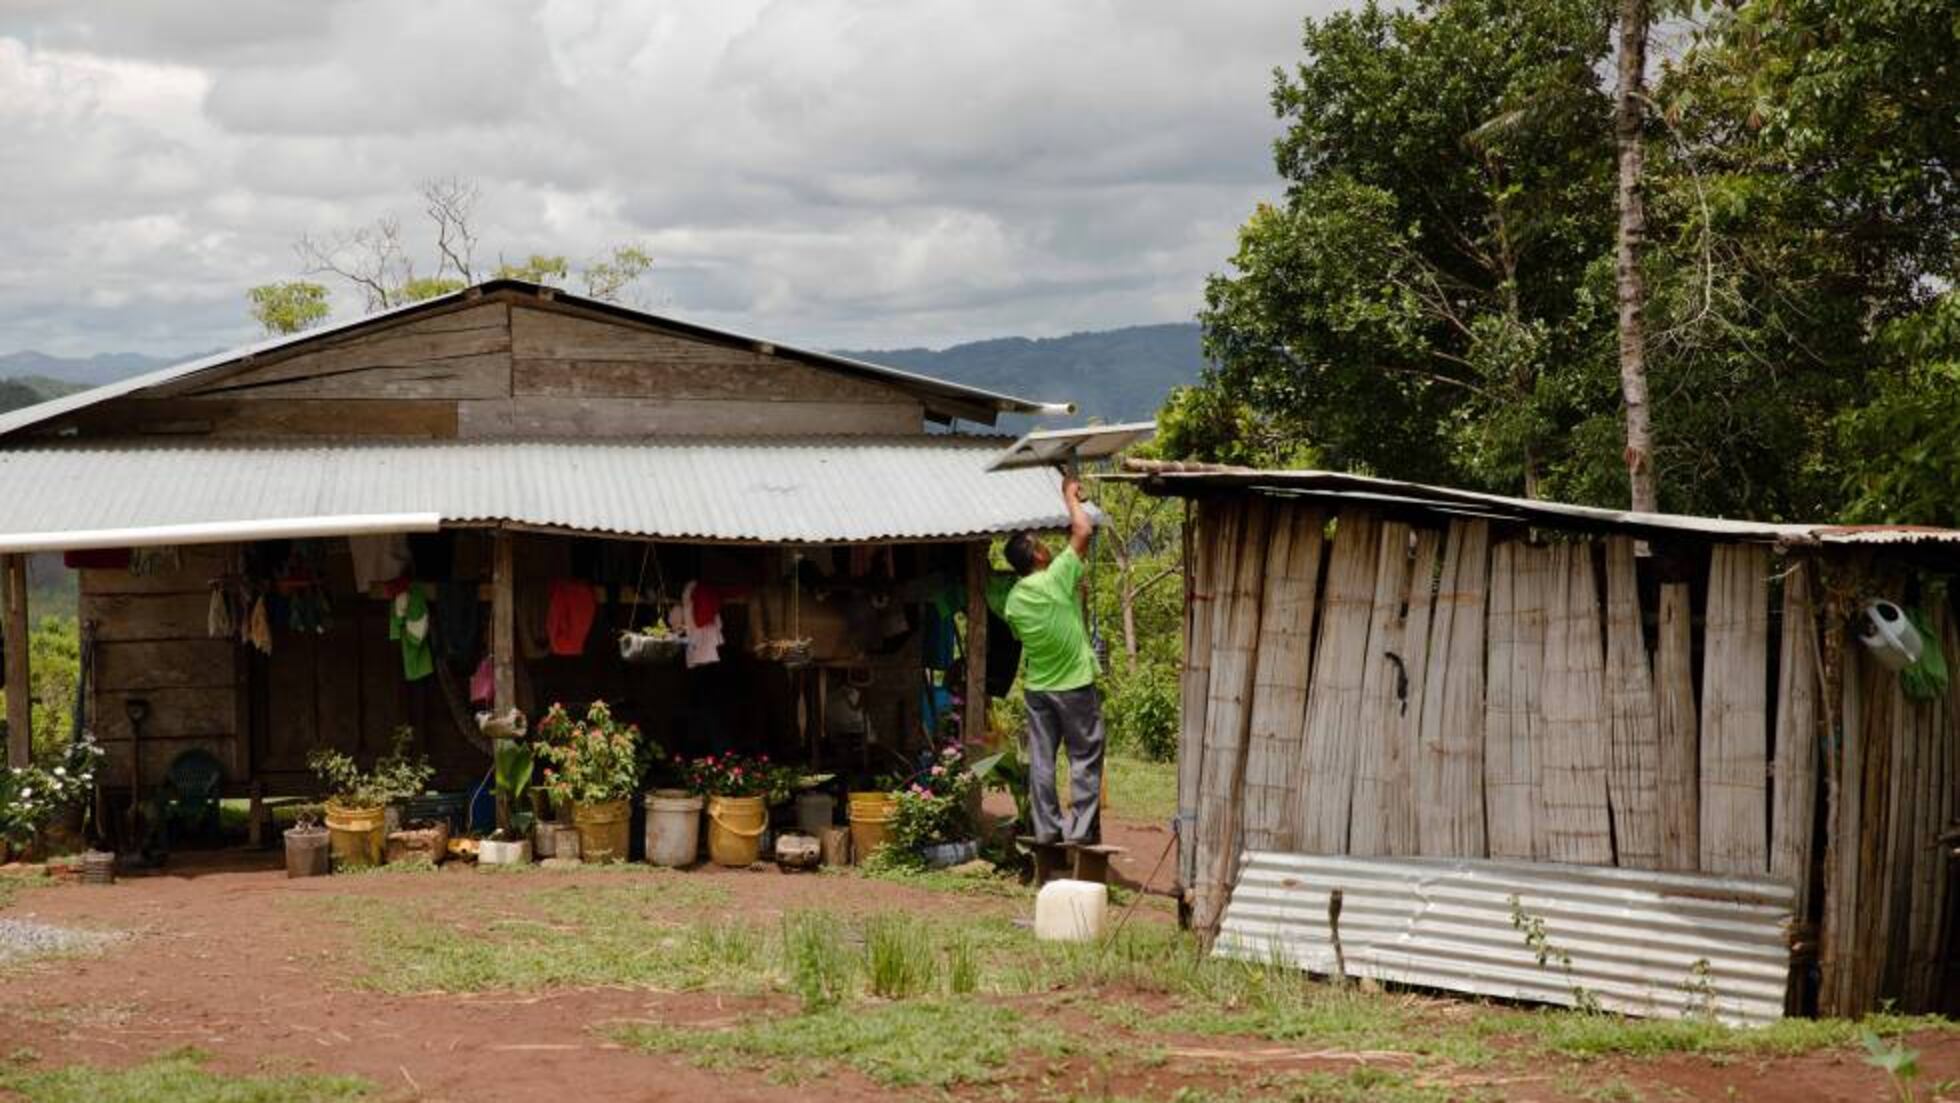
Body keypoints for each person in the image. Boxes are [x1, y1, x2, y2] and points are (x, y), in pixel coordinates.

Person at [1000, 473, 1103, 845]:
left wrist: (1073, 598)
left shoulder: (1014, 600)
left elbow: (1028, 630)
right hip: (1073, 684)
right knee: (1085, 756)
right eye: (1043, 544)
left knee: (1043, 760)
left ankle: (1046, 829)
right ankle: (1078, 831)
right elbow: (1083, 530)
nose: (1047, 546)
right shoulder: (1057, 576)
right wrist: (1069, 496)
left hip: (1038, 688)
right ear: (1040, 555)